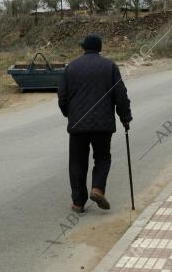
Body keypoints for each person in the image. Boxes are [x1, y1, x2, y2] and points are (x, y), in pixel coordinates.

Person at [57, 34, 132, 213]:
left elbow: (62, 96)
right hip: (102, 124)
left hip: (78, 125)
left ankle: (78, 202)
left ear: (83, 48)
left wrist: (70, 114)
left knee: (77, 162)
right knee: (102, 157)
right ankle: (97, 189)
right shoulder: (110, 67)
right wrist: (125, 118)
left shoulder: (71, 68)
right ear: (100, 49)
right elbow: (120, 95)